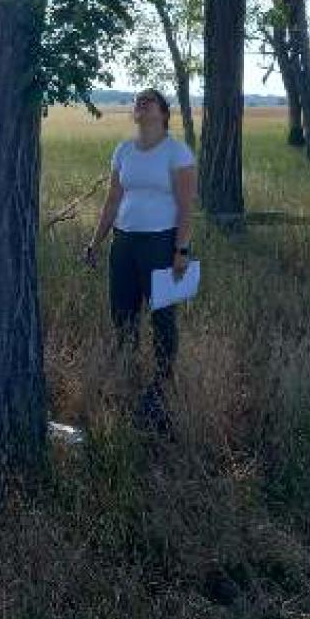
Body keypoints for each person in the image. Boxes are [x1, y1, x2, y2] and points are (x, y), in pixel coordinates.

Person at [84, 88, 197, 434]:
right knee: (123, 313)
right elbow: (112, 200)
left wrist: (181, 251)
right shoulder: (124, 150)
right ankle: (127, 374)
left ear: (163, 114)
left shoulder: (177, 152)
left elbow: (186, 206)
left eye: (149, 101)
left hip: (161, 244)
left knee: (162, 317)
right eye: (138, 101)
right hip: (125, 242)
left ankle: (163, 384)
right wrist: (96, 242)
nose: (141, 104)